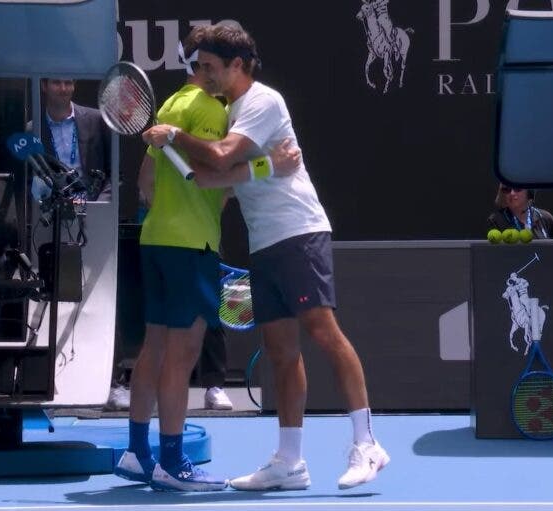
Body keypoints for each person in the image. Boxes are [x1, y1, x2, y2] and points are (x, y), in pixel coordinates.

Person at [142, 23, 389, 491]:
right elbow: (213, 179)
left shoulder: (262, 101)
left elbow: (218, 157)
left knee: (323, 332)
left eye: (210, 67)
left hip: (298, 232)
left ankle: (367, 443)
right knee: (280, 351)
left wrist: (175, 135)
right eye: (199, 66)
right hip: (264, 242)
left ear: (238, 65)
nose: (203, 75)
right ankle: (290, 461)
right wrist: (259, 165)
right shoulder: (228, 107)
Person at [113, 26, 300, 493]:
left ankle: (138, 454)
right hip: (190, 245)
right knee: (184, 352)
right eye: (212, 66)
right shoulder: (212, 109)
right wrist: (267, 167)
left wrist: (173, 208)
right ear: (206, 66)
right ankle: (173, 463)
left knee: (154, 348)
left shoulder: (169, 106)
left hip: (155, 238)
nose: (216, 75)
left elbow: (146, 184)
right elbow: (218, 167)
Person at [32, 78, 111, 201]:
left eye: (68, 83)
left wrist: (99, 206)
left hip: (92, 210)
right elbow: (26, 182)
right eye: (57, 82)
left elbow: (114, 174)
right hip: (53, 213)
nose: (63, 89)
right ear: (44, 86)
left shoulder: (97, 120)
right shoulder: (33, 130)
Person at [487, 184, 553, 239]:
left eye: (517, 188)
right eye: (507, 189)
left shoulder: (546, 218)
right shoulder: (496, 220)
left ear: (529, 192)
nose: (512, 193)